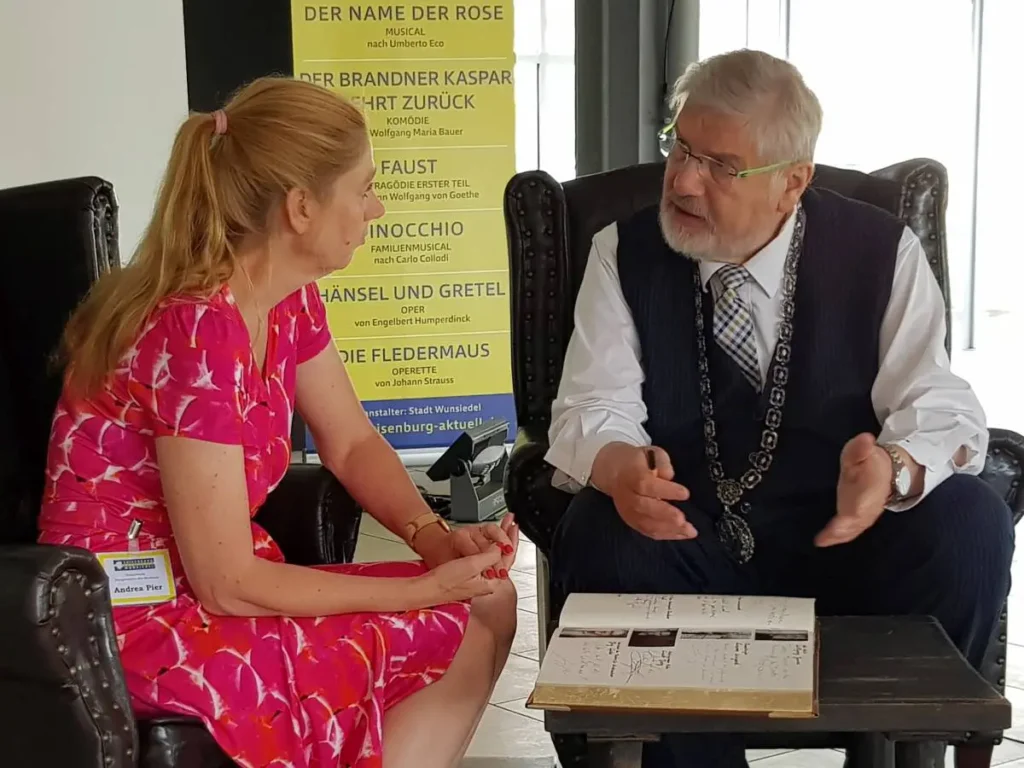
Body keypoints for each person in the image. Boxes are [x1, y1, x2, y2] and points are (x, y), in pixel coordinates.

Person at [546, 49, 1013, 767]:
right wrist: (618, 470)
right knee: (601, 532)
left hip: (846, 541)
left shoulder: (879, 250)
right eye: (681, 148)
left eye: (721, 166)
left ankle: (899, 749)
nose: (684, 180)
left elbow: (937, 401)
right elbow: (591, 406)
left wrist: (892, 470)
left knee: (969, 523)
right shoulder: (624, 251)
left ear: (793, 182)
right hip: (690, 541)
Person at [37, 76, 519, 768]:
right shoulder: (196, 328)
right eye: (363, 188)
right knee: (441, 613)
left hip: (211, 593)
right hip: (131, 619)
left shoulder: (288, 302)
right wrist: (419, 587)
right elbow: (226, 581)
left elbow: (352, 443)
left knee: (488, 599)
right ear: (300, 207)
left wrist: (435, 540)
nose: (375, 208)